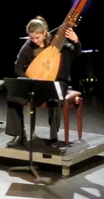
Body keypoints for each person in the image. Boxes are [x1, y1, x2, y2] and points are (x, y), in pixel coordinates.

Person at [5, 16, 82, 149]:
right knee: (13, 97)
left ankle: (53, 137)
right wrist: (30, 80)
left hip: (58, 81)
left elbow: (76, 53)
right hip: (34, 82)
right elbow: (18, 67)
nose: (34, 41)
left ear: (45, 32)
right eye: (32, 38)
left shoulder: (57, 42)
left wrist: (76, 42)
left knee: (54, 97)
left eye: (37, 37)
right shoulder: (28, 45)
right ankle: (18, 134)